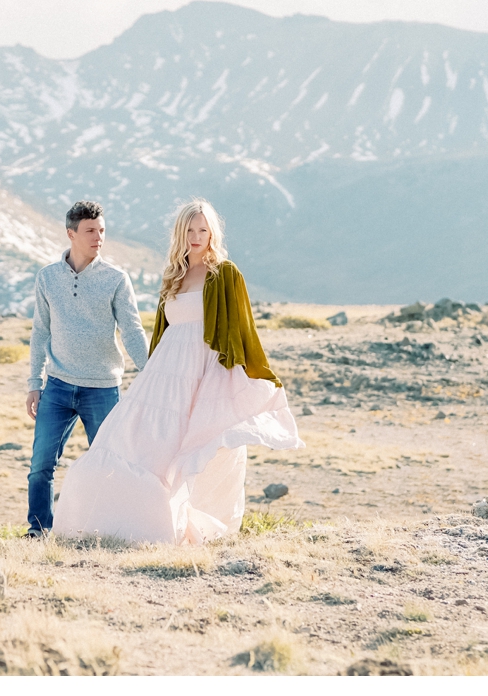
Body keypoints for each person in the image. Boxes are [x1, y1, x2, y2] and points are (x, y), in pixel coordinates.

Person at [51, 198, 303, 544]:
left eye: (203, 230)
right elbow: (162, 332)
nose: (196, 236)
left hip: (204, 375)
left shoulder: (225, 274)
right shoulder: (175, 274)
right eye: (189, 229)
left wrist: (255, 377)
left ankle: (183, 525)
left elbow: (242, 331)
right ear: (180, 233)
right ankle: (127, 525)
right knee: (136, 442)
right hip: (165, 375)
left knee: (192, 450)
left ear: (212, 233)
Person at [25, 200, 148, 536]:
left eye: (102, 231)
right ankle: (38, 530)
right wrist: (34, 383)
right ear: (71, 233)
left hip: (102, 388)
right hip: (58, 386)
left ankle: (114, 529)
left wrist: (151, 372)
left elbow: (133, 330)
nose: (99, 237)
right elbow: (40, 332)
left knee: (111, 464)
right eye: (91, 231)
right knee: (41, 466)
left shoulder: (116, 279)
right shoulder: (47, 278)